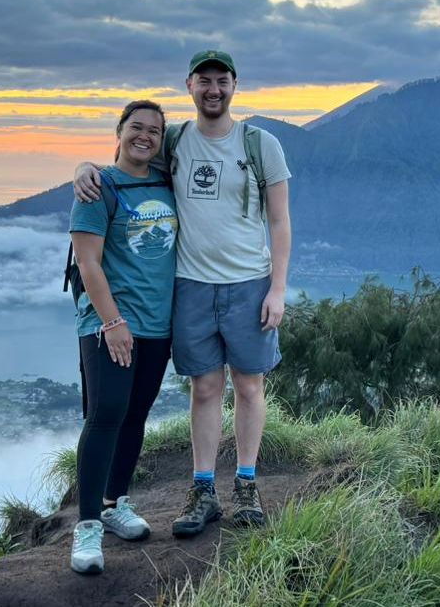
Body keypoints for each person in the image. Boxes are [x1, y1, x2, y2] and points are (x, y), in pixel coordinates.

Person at [75, 49, 292, 538]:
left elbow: (279, 220)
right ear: (189, 86)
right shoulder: (174, 140)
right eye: (203, 80)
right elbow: (132, 156)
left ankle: (247, 484)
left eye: (222, 80)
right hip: (191, 285)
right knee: (206, 388)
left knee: (250, 385)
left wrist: (277, 288)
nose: (213, 89)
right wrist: (85, 168)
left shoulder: (261, 145)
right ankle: (203, 490)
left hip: (249, 283)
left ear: (235, 84)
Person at [67, 100, 178, 575]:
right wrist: (112, 322)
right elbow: (88, 262)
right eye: (137, 127)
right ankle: (87, 526)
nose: (145, 136)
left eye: (154, 131)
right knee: (106, 413)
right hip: (108, 321)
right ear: (119, 131)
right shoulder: (97, 187)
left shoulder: (166, 182)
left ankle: (115, 503)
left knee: (135, 415)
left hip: (157, 323)